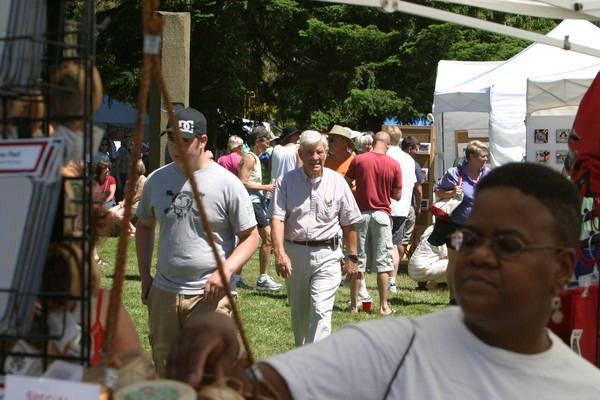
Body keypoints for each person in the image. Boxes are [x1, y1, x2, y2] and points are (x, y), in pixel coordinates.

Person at [166, 162, 600, 399]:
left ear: (562, 268)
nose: (480, 255)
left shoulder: (583, 389)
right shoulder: (394, 347)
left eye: (508, 244)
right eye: (469, 238)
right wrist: (222, 334)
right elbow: (256, 390)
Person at [135, 107, 259, 378]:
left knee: (210, 376)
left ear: (203, 141)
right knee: (167, 375)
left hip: (210, 296)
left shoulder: (227, 183)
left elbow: (251, 237)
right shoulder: (156, 180)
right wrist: (145, 276)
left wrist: (225, 272)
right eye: (171, 140)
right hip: (164, 293)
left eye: (184, 141)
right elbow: (144, 226)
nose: (175, 147)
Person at [267, 130, 361, 346]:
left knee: (321, 310)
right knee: (299, 313)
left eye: (319, 152)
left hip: (327, 255)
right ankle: (301, 355)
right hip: (295, 254)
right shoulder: (286, 182)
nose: (315, 157)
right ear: (300, 154)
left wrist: (352, 257)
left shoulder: (338, 182)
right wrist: (280, 253)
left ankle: (315, 361)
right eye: (309, 152)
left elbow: (349, 224)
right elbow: (277, 220)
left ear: (326, 153)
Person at [345, 131, 402, 314]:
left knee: (357, 259)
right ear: (388, 145)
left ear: (373, 142)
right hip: (382, 215)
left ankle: (354, 306)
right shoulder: (394, 164)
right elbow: (398, 196)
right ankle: (383, 306)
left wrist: (357, 188)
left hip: (360, 214)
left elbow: (346, 182)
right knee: (384, 263)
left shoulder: (359, 159)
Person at [428, 140, 489, 304]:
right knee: (456, 260)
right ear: (471, 157)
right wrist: (452, 192)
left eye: (486, 156)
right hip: (458, 227)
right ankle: (453, 296)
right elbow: (437, 191)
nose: (485, 159)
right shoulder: (454, 173)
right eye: (482, 156)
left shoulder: (488, 174)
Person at [237, 126, 281, 291]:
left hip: (255, 202)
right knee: (267, 238)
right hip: (251, 202)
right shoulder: (249, 158)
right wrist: (266, 187)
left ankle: (235, 276)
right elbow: (242, 182)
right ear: (258, 141)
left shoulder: (253, 157)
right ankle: (262, 279)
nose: (268, 145)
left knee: (250, 240)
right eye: (267, 141)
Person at [385, 127, 417, 294]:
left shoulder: (386, 156)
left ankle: (385, 279)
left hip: (386, 205)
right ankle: (392, 280)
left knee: (386, 244)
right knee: (397, 244)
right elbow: (412, 184)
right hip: (402, 206)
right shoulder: (408, 159)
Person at [108, 159, 147, 237]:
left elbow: (137, 196)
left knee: (118, 215)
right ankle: (122, 231)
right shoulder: (132, 180)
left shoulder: (142, 180)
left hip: (137, 204)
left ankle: (133, 229)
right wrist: (123, 202)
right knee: (109, 212)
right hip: (128, 202)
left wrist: (126, 203)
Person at [400, 136, 424, 256]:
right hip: (408, 206)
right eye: (417, 149)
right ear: (410, 149)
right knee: (404, 240)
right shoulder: (414, 164)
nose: (418, 152)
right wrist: (418, 207)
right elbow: (418, 188)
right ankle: (396, 265)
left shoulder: (393, 160)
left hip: (391, 205)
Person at [407, 225, 448, 291]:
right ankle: (432, 285)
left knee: (431, 257)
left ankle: (422, 283)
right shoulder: (441, 236)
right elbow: (447, 257)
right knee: (454, 264)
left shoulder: (430, 230)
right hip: (421, 270)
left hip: (412, 270)